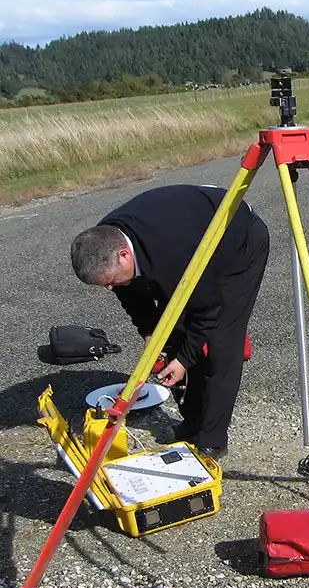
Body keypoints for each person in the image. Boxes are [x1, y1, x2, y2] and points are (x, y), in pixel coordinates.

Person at [70, 185, 270, 459]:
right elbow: (131, 294)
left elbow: (209, 309)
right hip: (187, 239)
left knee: (223, 341)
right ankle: (192, 423)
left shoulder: (170, 255)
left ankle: (212, 439)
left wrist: (185, 358)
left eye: (112, 281)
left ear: (124, 255)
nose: (110, 289)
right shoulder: (107, 241)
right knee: (174, 334)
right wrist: (151, 334)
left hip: (237, 245)